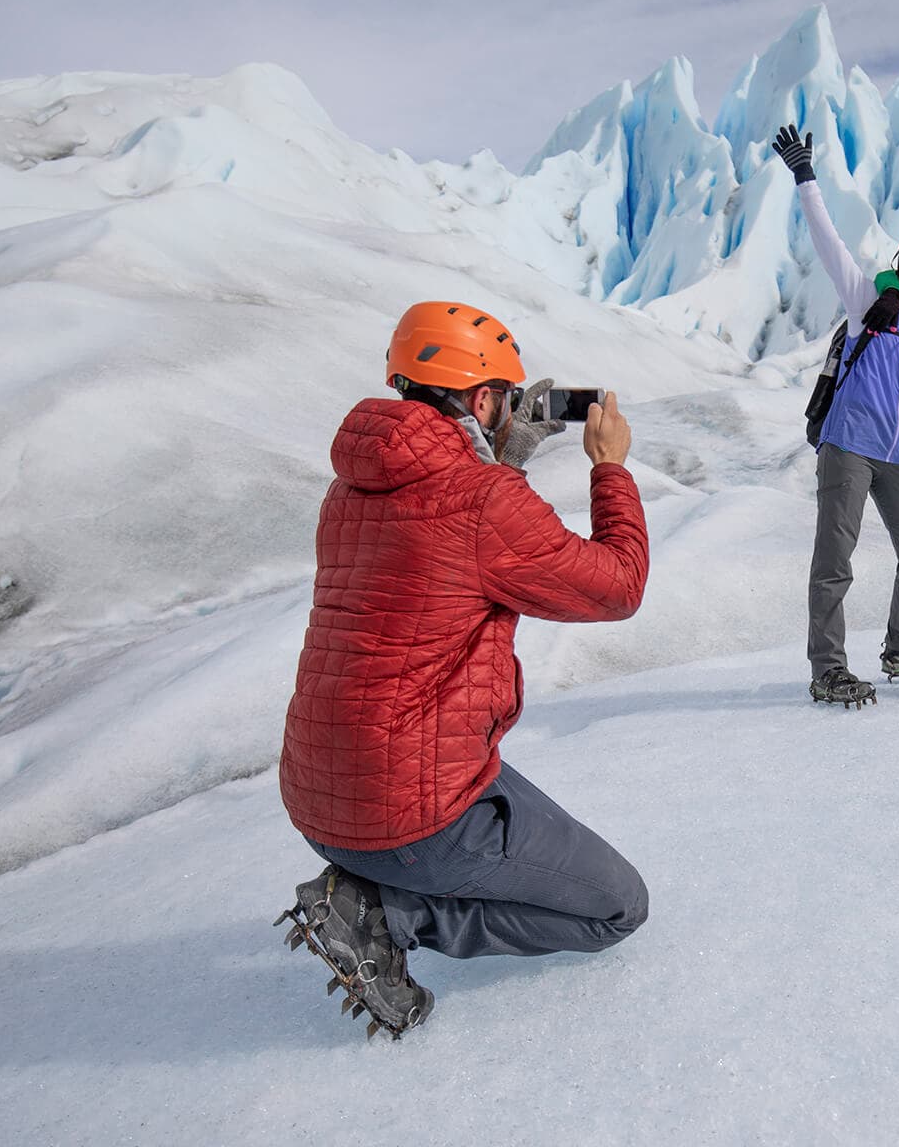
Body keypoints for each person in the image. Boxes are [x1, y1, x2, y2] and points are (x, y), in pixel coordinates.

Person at [275, 300, 650, 1038]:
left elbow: (436, 527)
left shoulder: (349, 492)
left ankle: (374, 886)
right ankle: (386, 912)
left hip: (322, 798)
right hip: (411, 814)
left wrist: (499, 457)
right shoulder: (485, 503)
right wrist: (610, 470)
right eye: (504, 400)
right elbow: (617, 586)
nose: (511, 412)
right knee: (619, 907)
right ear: (482, 401)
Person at [771, 124, 899, 708]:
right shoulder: (867, 302)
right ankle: (828, 668)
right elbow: (829, 241)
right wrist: (806, 179)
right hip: (848, 445)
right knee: (834, 561)